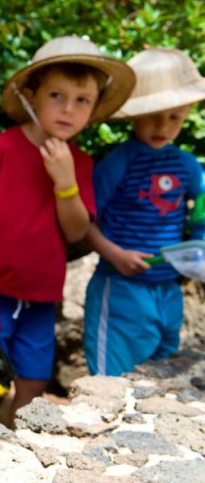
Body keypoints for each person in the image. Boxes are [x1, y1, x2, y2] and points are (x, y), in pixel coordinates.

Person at [0, 36, 135, 438]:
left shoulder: (79, 163)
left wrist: (65, 182)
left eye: (82, 100)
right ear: (31, 96)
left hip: (41, 298)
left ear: (95, 108)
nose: (68, 109)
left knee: (32, 384)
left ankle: (13, 456)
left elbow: (77, 230)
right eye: (57, 95)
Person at [83, 47, 205, 377]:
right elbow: (84, 221)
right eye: (153, 115)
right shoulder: (117, 163)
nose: (162, 125)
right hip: (120, 286)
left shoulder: (187, 165)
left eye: (174, 117)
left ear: (189, 112)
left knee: (162, 371)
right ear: (135, 114)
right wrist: (116, 254)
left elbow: (201, 205)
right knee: (111, 376)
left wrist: (199, 242)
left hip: (168, 288)